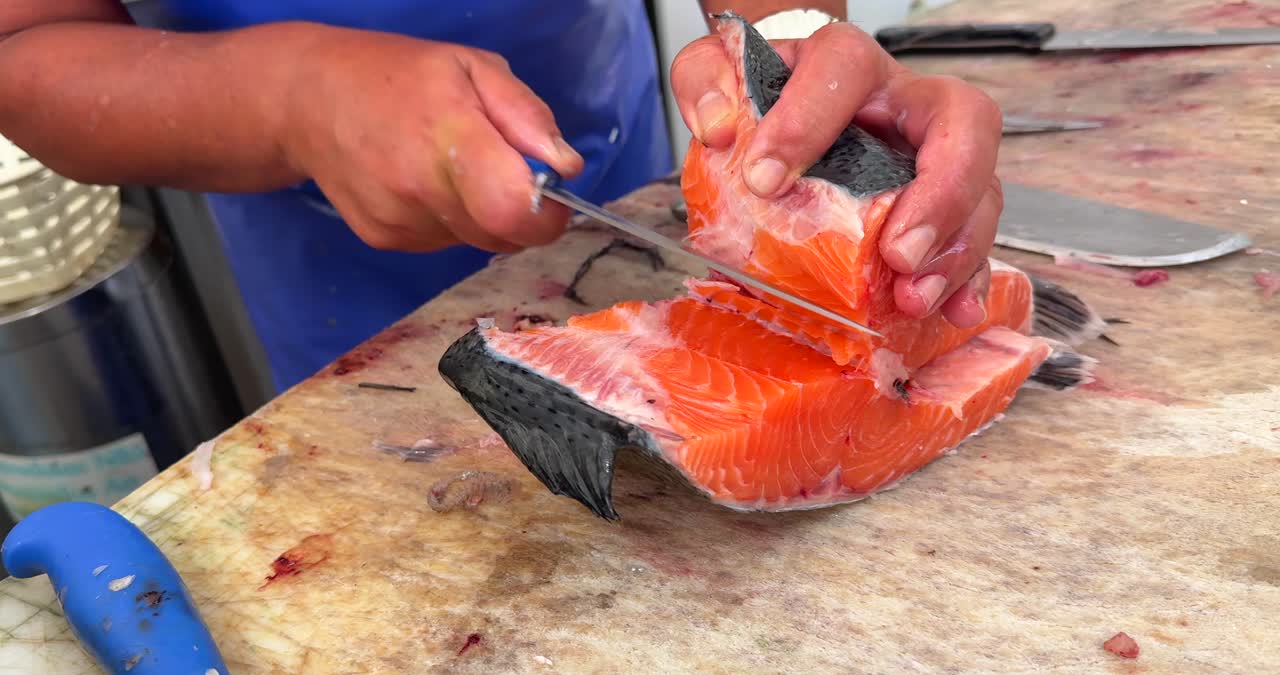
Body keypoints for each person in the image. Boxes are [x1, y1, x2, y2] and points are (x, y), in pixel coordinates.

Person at [0, 2, 1002, 393]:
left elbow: (768, 19)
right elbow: (26, 51)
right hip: (334, 298)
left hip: (628, 181)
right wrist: (290, 96)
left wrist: (777, 44)